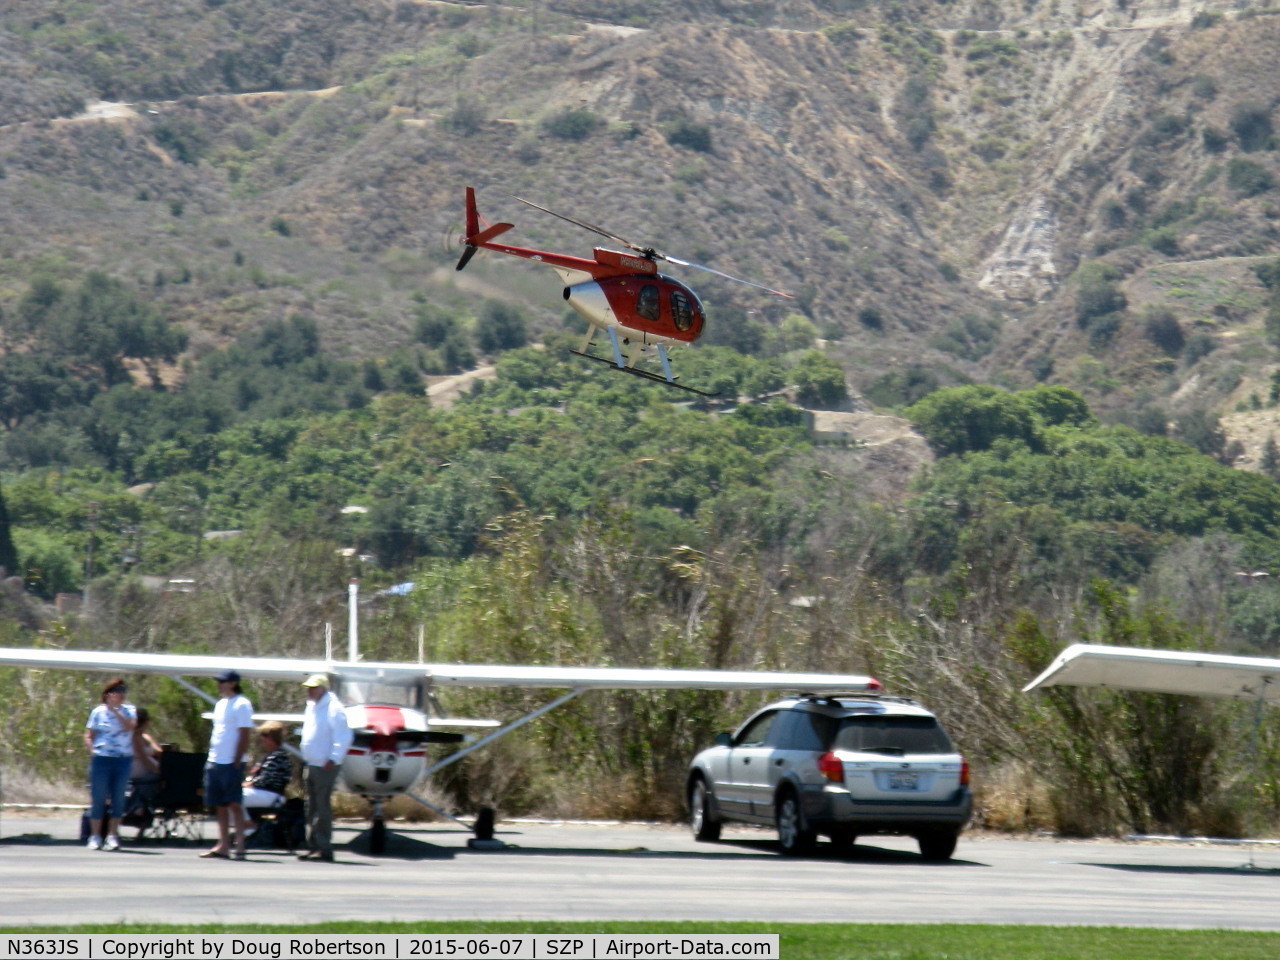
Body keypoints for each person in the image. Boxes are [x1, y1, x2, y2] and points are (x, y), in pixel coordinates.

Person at [297, 673, 352, 862]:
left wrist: (333, 758)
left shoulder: (333, 708)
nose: (309, 691)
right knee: (310, 806)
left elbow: (343, 736)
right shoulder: (311, 707)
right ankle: (313, 846)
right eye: (309, 687)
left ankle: (324, 847)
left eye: (313, 687)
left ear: (323, 688)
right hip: (311, 762)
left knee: (321, 806)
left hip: (324, 765)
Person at [202, 669, 255, 860]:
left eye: (223, 682)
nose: (220, 685)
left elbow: (244, 733)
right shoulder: (221, 704)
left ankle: (240, 845)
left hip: (231, 762)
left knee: (234, 803)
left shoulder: (241, 704)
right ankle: (223, 844)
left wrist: (237, 759)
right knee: (219, 804)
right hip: (215, 759)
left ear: (233, 683)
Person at [84, 677, 138, 851]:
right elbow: (88, 734)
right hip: (102, 759)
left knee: (118, 798)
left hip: (122, 759)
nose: (121, 695)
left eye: (123, 691)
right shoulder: (98, 712)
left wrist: (116, 711)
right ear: (108, 694)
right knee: (98, 797)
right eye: (117, 691)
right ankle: (95, 835)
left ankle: (113, 835)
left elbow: (130, 727)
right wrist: (93, 750)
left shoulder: (129, 710)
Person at [242, 721, 292, 811]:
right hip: (263, 792)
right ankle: (248, 823)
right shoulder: (270, 756)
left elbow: (267, 780)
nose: (263, 739)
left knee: (235, 797)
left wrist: (248, 784)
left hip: (272, 795)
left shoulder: (278, 757)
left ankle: (247, 823)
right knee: (232, 795)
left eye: (266, 736)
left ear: (274, 738)